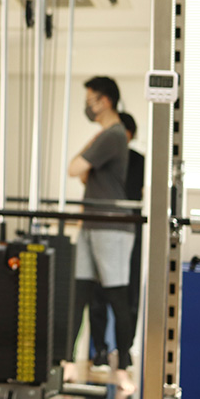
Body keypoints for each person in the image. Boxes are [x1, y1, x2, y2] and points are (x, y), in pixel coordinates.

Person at [66, 76, 135, 399]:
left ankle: (123, 368)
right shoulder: (105, 136)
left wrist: (90, 148)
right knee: (78, 294)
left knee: (117, 297)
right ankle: (68, 362)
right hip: (91, 223)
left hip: (111, 228)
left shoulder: (113, 134)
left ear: (105, 101)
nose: (88, 106)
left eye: (90, 99)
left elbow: (74, 167)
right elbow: (80, 174)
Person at [86, 112, 145, 376]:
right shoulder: (102, 157)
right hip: (100, 228)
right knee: (97, 294)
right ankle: (99, 350)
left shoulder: (137, 161)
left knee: (125, 294)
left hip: (126, 232)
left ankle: (124, 353)